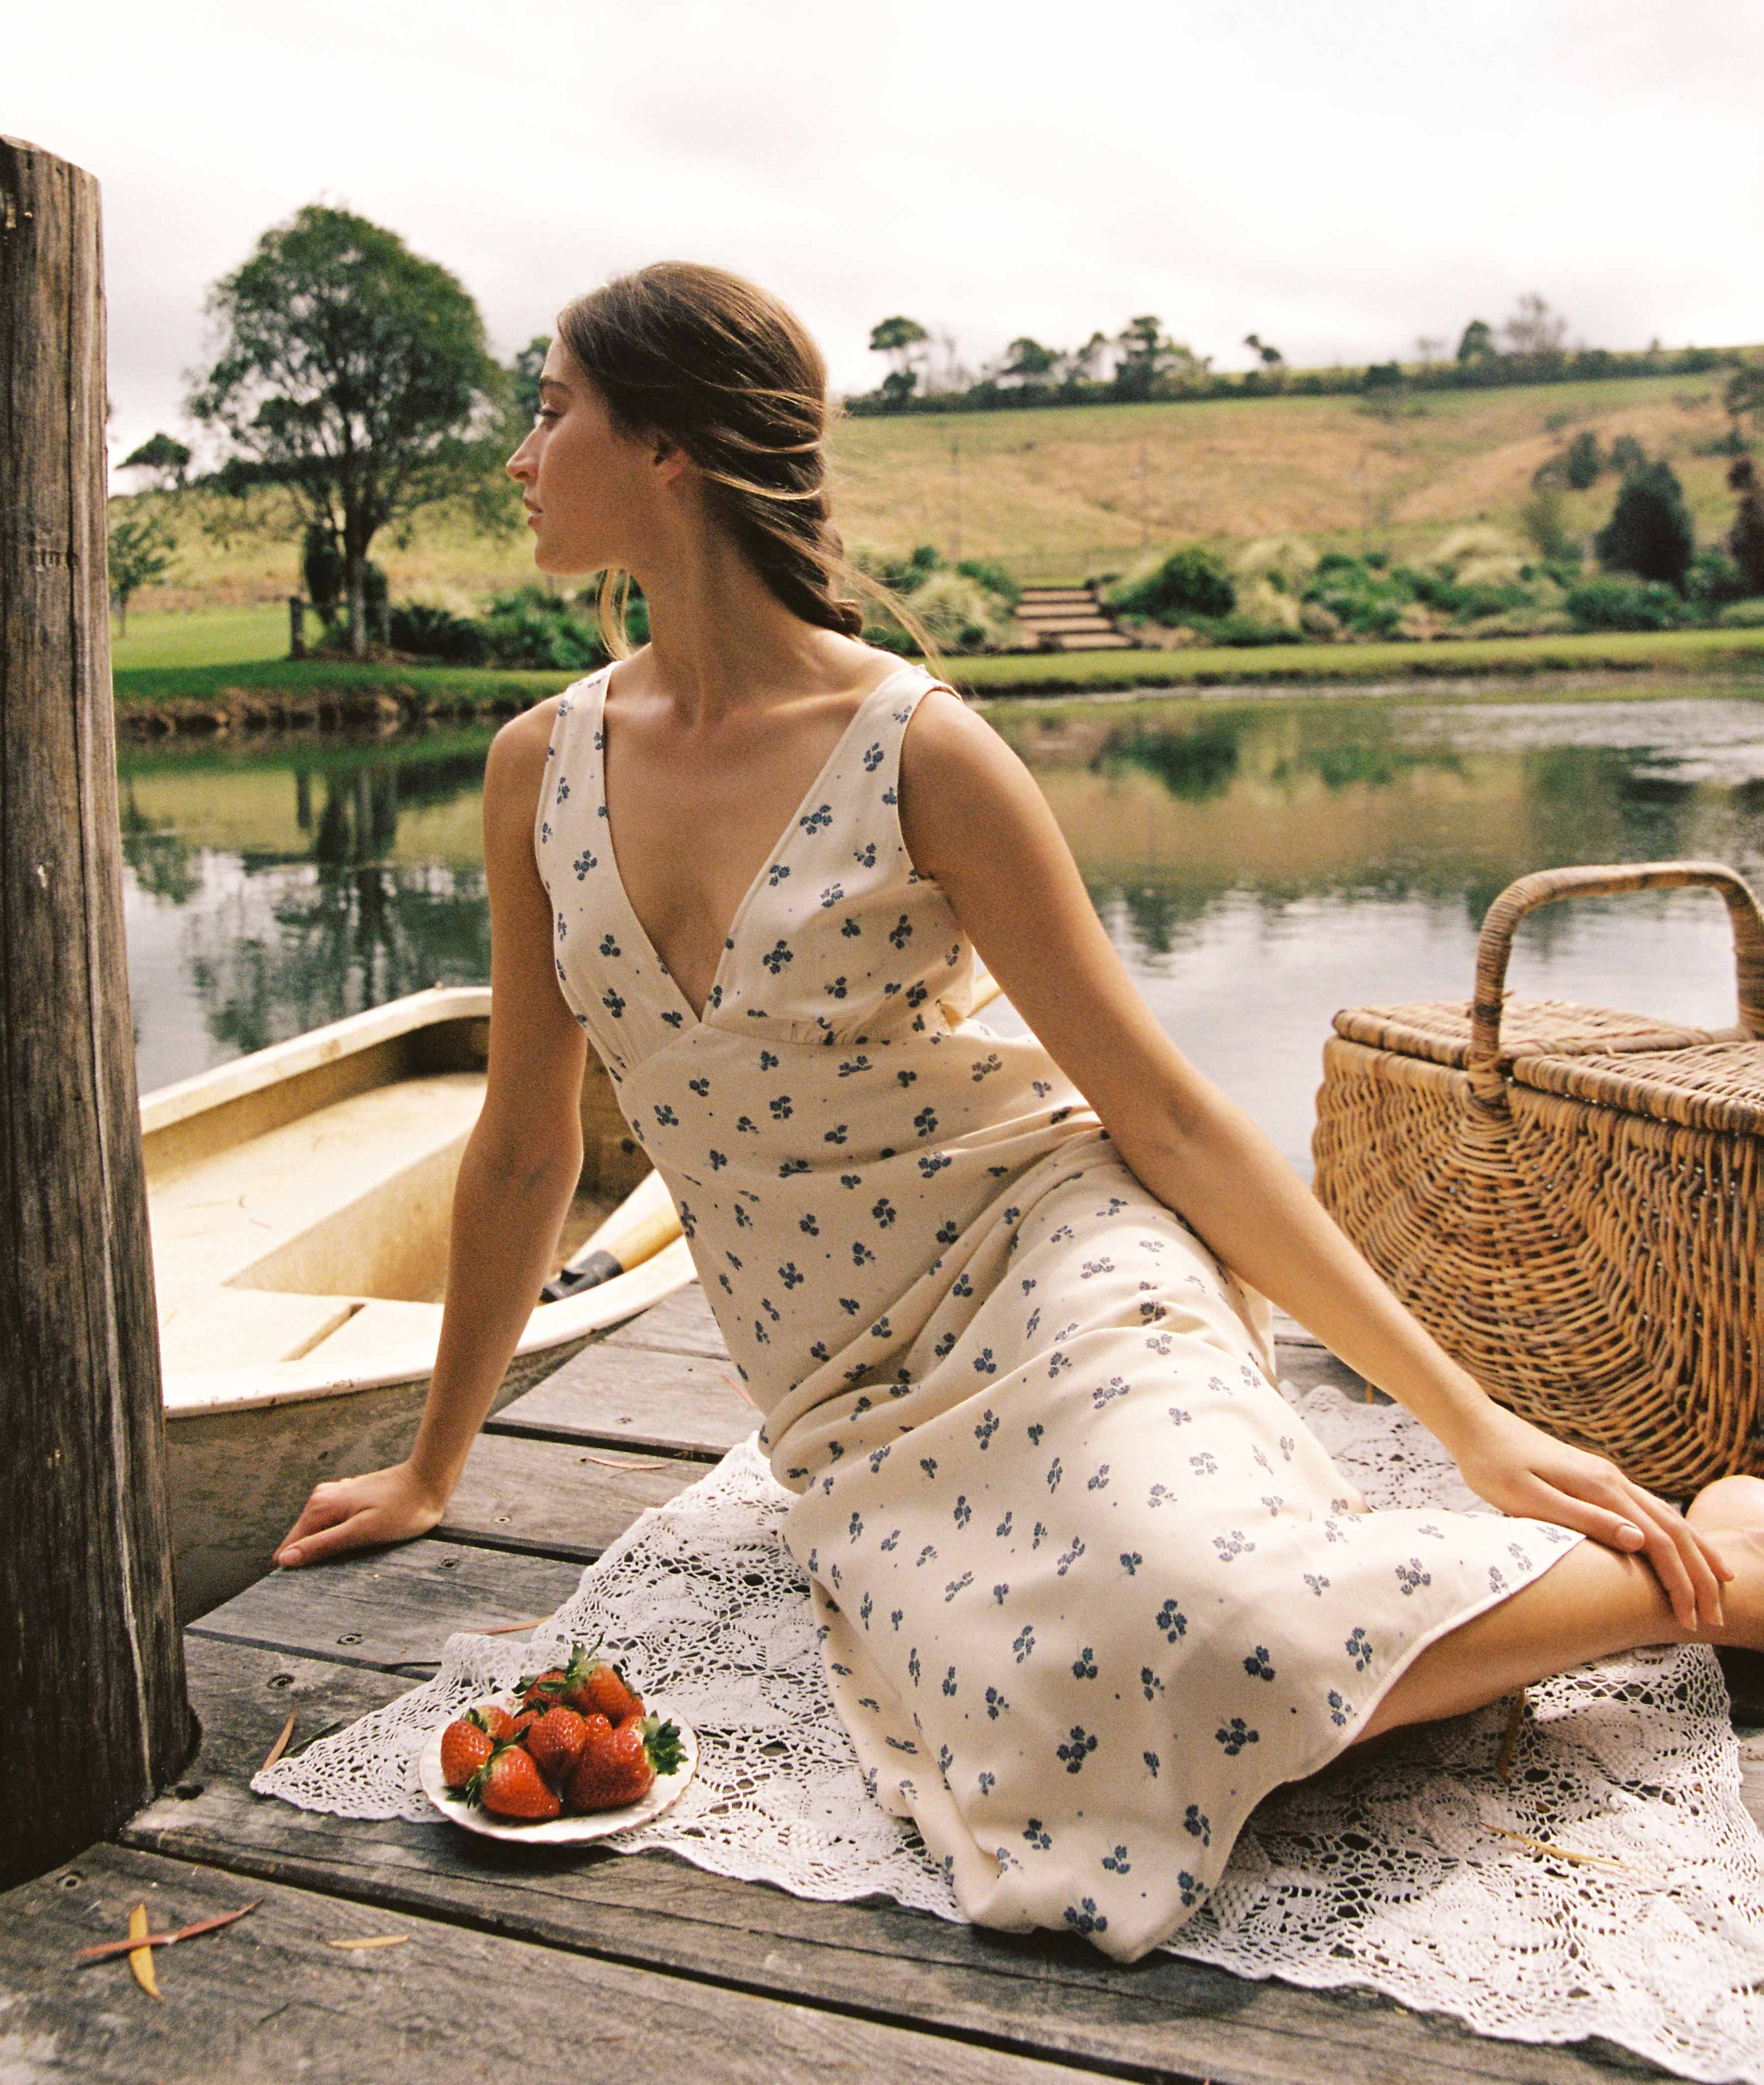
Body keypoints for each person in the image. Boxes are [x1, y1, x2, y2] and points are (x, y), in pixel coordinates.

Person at [275, 262, 1762, 1960]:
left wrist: (1473, 1423)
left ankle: (1721, 1563)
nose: (520, 454)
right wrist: (428, 1469)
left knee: (1228, 1631)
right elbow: (528, 1138)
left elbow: (1176, 1121)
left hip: (1060, 1270)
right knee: (1051, 1729)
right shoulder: (538, 766)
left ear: (670, 446)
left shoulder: (925, 753)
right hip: (841, 1398)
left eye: (549, 411)